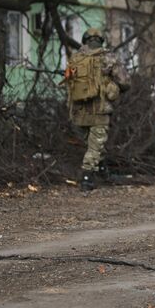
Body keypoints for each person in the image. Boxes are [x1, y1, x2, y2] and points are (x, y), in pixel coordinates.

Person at [64, 28, 131, 191]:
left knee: (94, 144)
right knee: (95, 145)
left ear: (85, 40)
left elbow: (69, 85)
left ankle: (102, 171)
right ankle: (86, 178)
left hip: (78, 111)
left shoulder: (75, 58)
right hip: (99, 109)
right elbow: (125, 82)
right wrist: (112, 87)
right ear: (101, 40)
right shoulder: (108, 57)